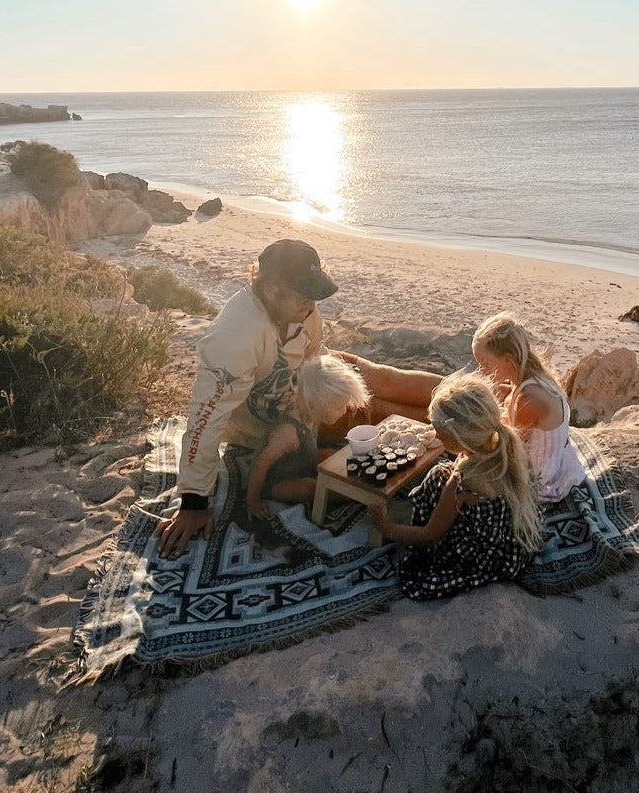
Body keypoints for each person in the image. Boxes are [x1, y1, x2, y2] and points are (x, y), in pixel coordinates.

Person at [155, 237, 442, 558]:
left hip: (312, 388)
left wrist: (333, 379)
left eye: (314, 296)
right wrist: (194, 502)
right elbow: (205, 417)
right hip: (275, 423)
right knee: (381, 412)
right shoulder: (235, 338)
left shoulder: (304, 311)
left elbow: (316, 350)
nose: (311, 306)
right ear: (272, 289)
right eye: (304, 297)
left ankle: (468, 396)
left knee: (382, 378)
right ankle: (458, 425)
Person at [371, 373, 543, 599]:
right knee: (441, 472)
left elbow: (431, 534)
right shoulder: (506, 447)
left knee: (437, 477)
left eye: (441, 435)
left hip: (487, 556)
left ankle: (410, 512)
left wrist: (386, 527)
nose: (436, 436)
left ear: (460, 440)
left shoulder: (463, 479)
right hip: (511, 543)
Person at [471, 312, 585, 502]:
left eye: (485, 364)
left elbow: (512, 450)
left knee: (462, 475)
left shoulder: (529, 398)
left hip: (540, 481)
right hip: (556, 462)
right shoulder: (531, 376)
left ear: (507, 361)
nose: (481, 371)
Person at [245, 354, 369, 517]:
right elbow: (261, 463)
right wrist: (253, 502)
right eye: (339, 407)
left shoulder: (310, 412)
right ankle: (353, 494)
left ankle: (356, 480)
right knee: (311, 488)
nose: (344, 410)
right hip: (279, 483)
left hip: (302, 462)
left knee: (333, 455)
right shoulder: (288, 434)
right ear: (314, 403)